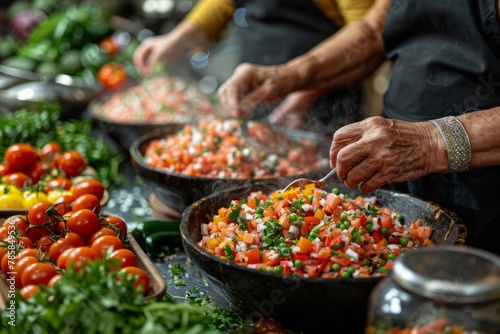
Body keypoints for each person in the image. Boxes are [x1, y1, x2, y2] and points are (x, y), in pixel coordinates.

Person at [217, 0, 500, 255]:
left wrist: (432, 141)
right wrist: (284, 76)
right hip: (395, 163)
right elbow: (373, 32)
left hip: (484, 191)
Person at [133, 0, 375, 137]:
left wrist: (308, 89)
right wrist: (176, 39)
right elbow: (222, 5)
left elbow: (369, 41)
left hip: (327, 96)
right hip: (254, 88)